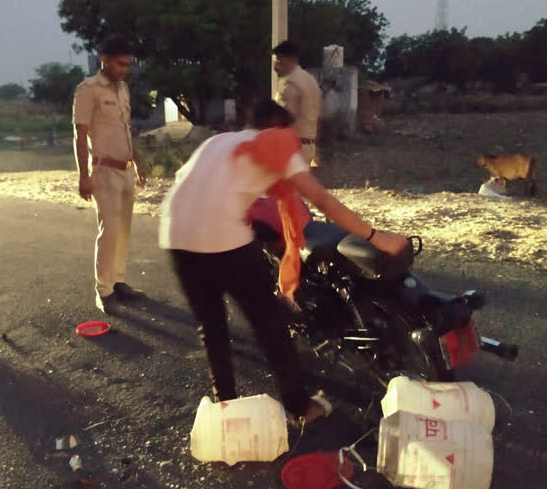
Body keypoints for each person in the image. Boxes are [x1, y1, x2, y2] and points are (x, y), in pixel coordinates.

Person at [159, 100, 408, 425]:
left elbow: (196, 185)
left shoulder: (217, 141)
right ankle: (301, 407)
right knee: (269, 324)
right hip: (223, 239)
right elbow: (321, 199)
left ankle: (224, 411)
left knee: (213, 327)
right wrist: (376, 236)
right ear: (279, 127)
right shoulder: (274, 142)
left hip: (175, 235)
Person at [72, 35, 148, 314]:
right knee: (110, 231)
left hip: (125, 170)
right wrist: (83, 176)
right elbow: (79, 136)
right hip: (103, 171)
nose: (124, 69)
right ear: (104, 59)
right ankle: (103, 292)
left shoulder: (123, 89)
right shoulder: (87, 89)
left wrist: (138, 163)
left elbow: (126, 130)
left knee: (124, 231)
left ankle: (118, 281)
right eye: (120, 64)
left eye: (127, 65)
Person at [273, 40, 323, 167]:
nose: (275, 67)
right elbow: (317, 116)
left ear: (282, 59)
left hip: (293, 147)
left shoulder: (290, 84)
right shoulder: (310, 80)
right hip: (309, 146)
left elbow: (284, 119)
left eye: (277, 61)